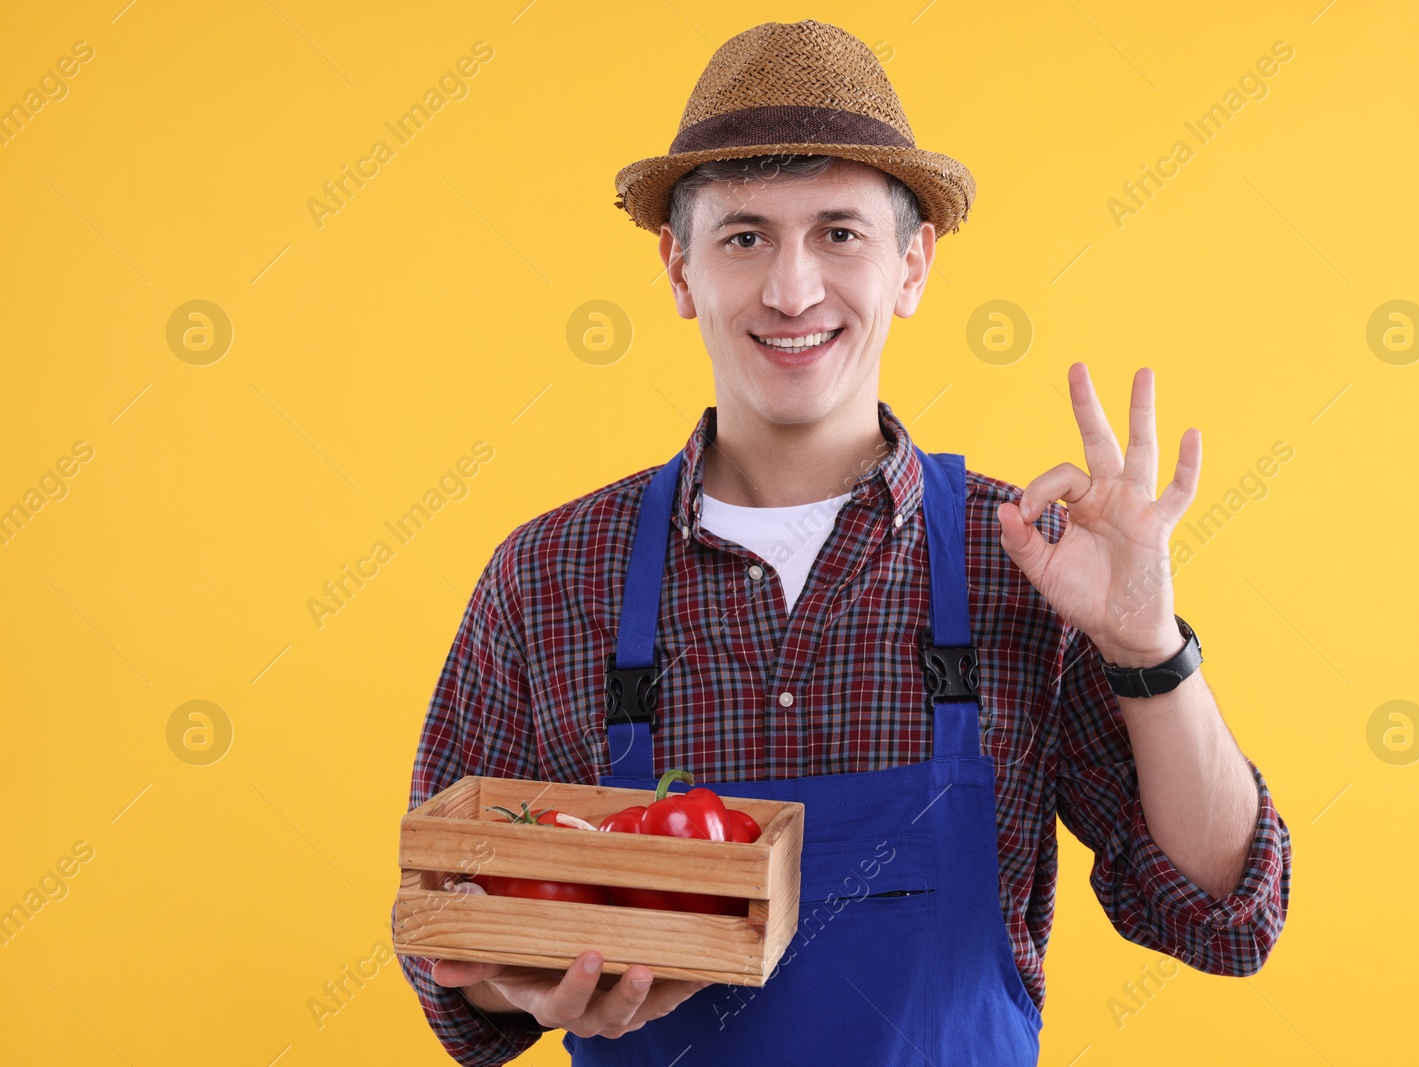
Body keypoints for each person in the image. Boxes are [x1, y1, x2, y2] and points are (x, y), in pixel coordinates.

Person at [395, 18, 1291, 1067]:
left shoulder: (1029, 562)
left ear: (911, 266)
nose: (791, 288)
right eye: (743, 237)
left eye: (838, 232)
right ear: (679, 269)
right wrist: (525, 979)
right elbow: (450, 956)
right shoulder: (548, 579)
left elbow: (1226, 916)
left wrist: (1146, 644)